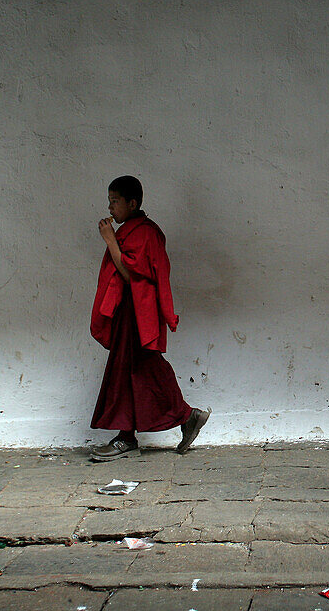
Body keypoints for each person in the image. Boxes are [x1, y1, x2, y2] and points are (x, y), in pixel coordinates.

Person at [88, 175, 210, 460]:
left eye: (115, 202)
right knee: (135, 370)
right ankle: (179, 420)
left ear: (132, 203)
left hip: (138, 312)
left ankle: (131, 436)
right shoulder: (131, 229)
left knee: (138, 368)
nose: (110, 208)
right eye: (109, 201)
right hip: (126, 311)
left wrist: (109, 240)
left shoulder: (145, 232)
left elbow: (130, 274)